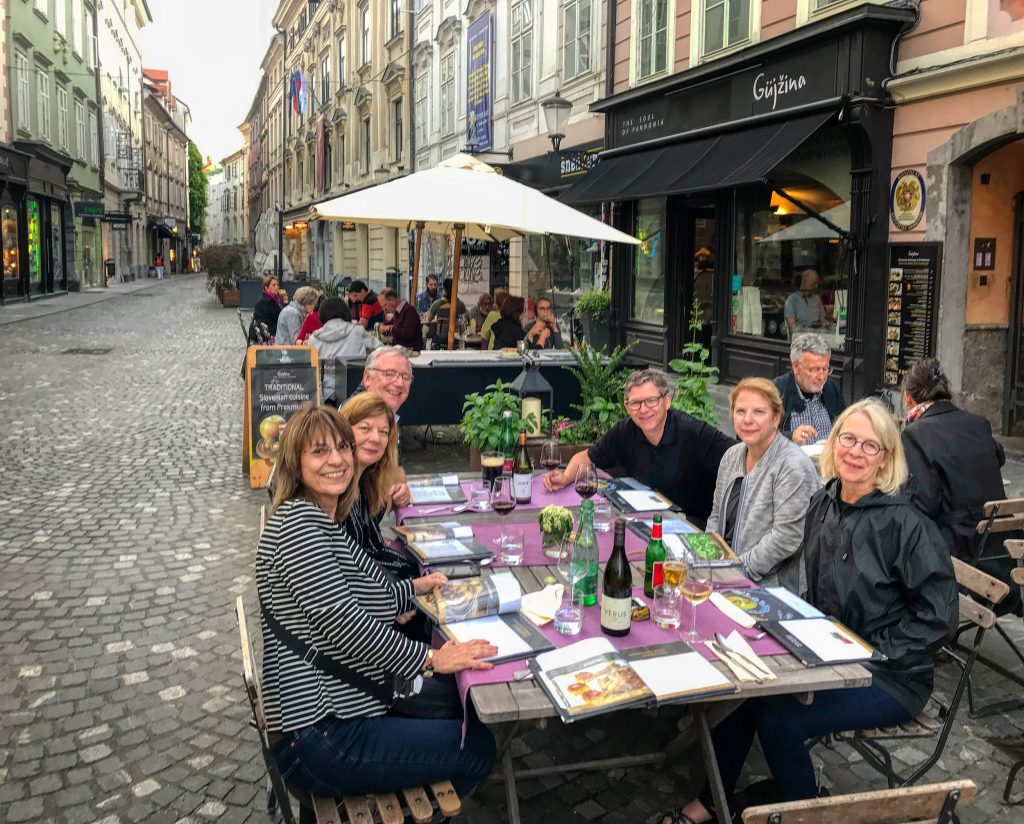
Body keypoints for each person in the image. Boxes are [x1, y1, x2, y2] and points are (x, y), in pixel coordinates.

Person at [662, 400, 958, 824]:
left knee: (781, 723)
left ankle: (803, 812)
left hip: (891, 675)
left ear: (886, 458)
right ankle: (713, 801)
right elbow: (814, 589)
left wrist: (868, 652)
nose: (855, 451)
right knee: (742, 695)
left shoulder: (906, 526)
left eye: (869, 446)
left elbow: (939, 618)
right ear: (833, 444)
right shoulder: (824, 504)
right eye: (848, 439)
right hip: (827, 654)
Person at [257, 405, 496, 799]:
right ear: (294, 463)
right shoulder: (300, 527)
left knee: (457, 701)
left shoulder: (320, 518)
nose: (336, 460)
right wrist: (432, 659)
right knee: (478, 747)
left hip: (341, 701)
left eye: (341, 448)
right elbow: (346, 625)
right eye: (319, 451)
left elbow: (374, 594)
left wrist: (417, 588)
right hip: (320, 735)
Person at [544, 370, 734, 529]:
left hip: (693, 525)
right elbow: (585, 458)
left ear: (666, 401)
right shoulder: (625, 432)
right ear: (627, 407)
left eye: (651, 400)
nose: (643, 409)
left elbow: (739, 456)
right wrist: (566, 477)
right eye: (636, 403)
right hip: (647, 520)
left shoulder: (693, 432)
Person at [901, 358, 1017, 609]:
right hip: (995, 545)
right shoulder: (978, 423)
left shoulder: (915, 433)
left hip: (957, 547)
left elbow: (925, 501)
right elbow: (999, 456)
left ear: (908, 398)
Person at [705, 378, 820, 590]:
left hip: (771, 589)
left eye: (759, 412)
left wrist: (735, 571)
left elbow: (787, 538)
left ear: (776, 418)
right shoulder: (731, 456)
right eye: (740, 411)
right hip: (723, 576)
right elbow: (716, 515)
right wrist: (707, 559)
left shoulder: (792, 466)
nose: (748, 419)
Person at [340, 393, 415, 581]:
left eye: (383, 432)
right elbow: (349, 570)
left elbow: (394, 473)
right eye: (365, 428)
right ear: (343, 430)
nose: (376, 438)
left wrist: (400, 486)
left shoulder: (367, 477)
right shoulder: (336, 488)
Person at [774, 333, 846, 445]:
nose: (822, 377)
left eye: (825, 369)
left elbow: (845, 427)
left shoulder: (831, 389)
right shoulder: (776, 392)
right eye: (814, 370)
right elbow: (756, 436)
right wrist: (789, 436)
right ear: (796, 367)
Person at [307, 297, 380, 405]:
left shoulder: (314, 338)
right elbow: (382, 350)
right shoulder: (357, 332)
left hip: (323, 394)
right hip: (354, 391)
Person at [362, 345, 414, 416]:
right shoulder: (349, 423)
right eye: (389, 374)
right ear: (368, 378)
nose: (400, 383)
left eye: (405, 377)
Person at [427, 278, 468, 348]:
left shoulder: (437, 304)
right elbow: (466, 320)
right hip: (456, 339)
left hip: (441, 338)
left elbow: (429, 319)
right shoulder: (460, 304)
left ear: (444, 288)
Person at [249, 274, 289, 343]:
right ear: (267, 288)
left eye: (277, 285)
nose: (277, 287)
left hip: (267, 332)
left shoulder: (271, 298)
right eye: (274, 285)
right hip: (267, 336)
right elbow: (283, 316)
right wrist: (285, 299)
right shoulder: (267, 301)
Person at [784, 269, 826, 333]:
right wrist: (810, 331)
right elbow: (793, 328)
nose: (816, 286)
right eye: (814, 283)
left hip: (818, 337)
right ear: (805, 282)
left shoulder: (817, 299)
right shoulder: (791, 301)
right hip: (800, 338)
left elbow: (823, 321)